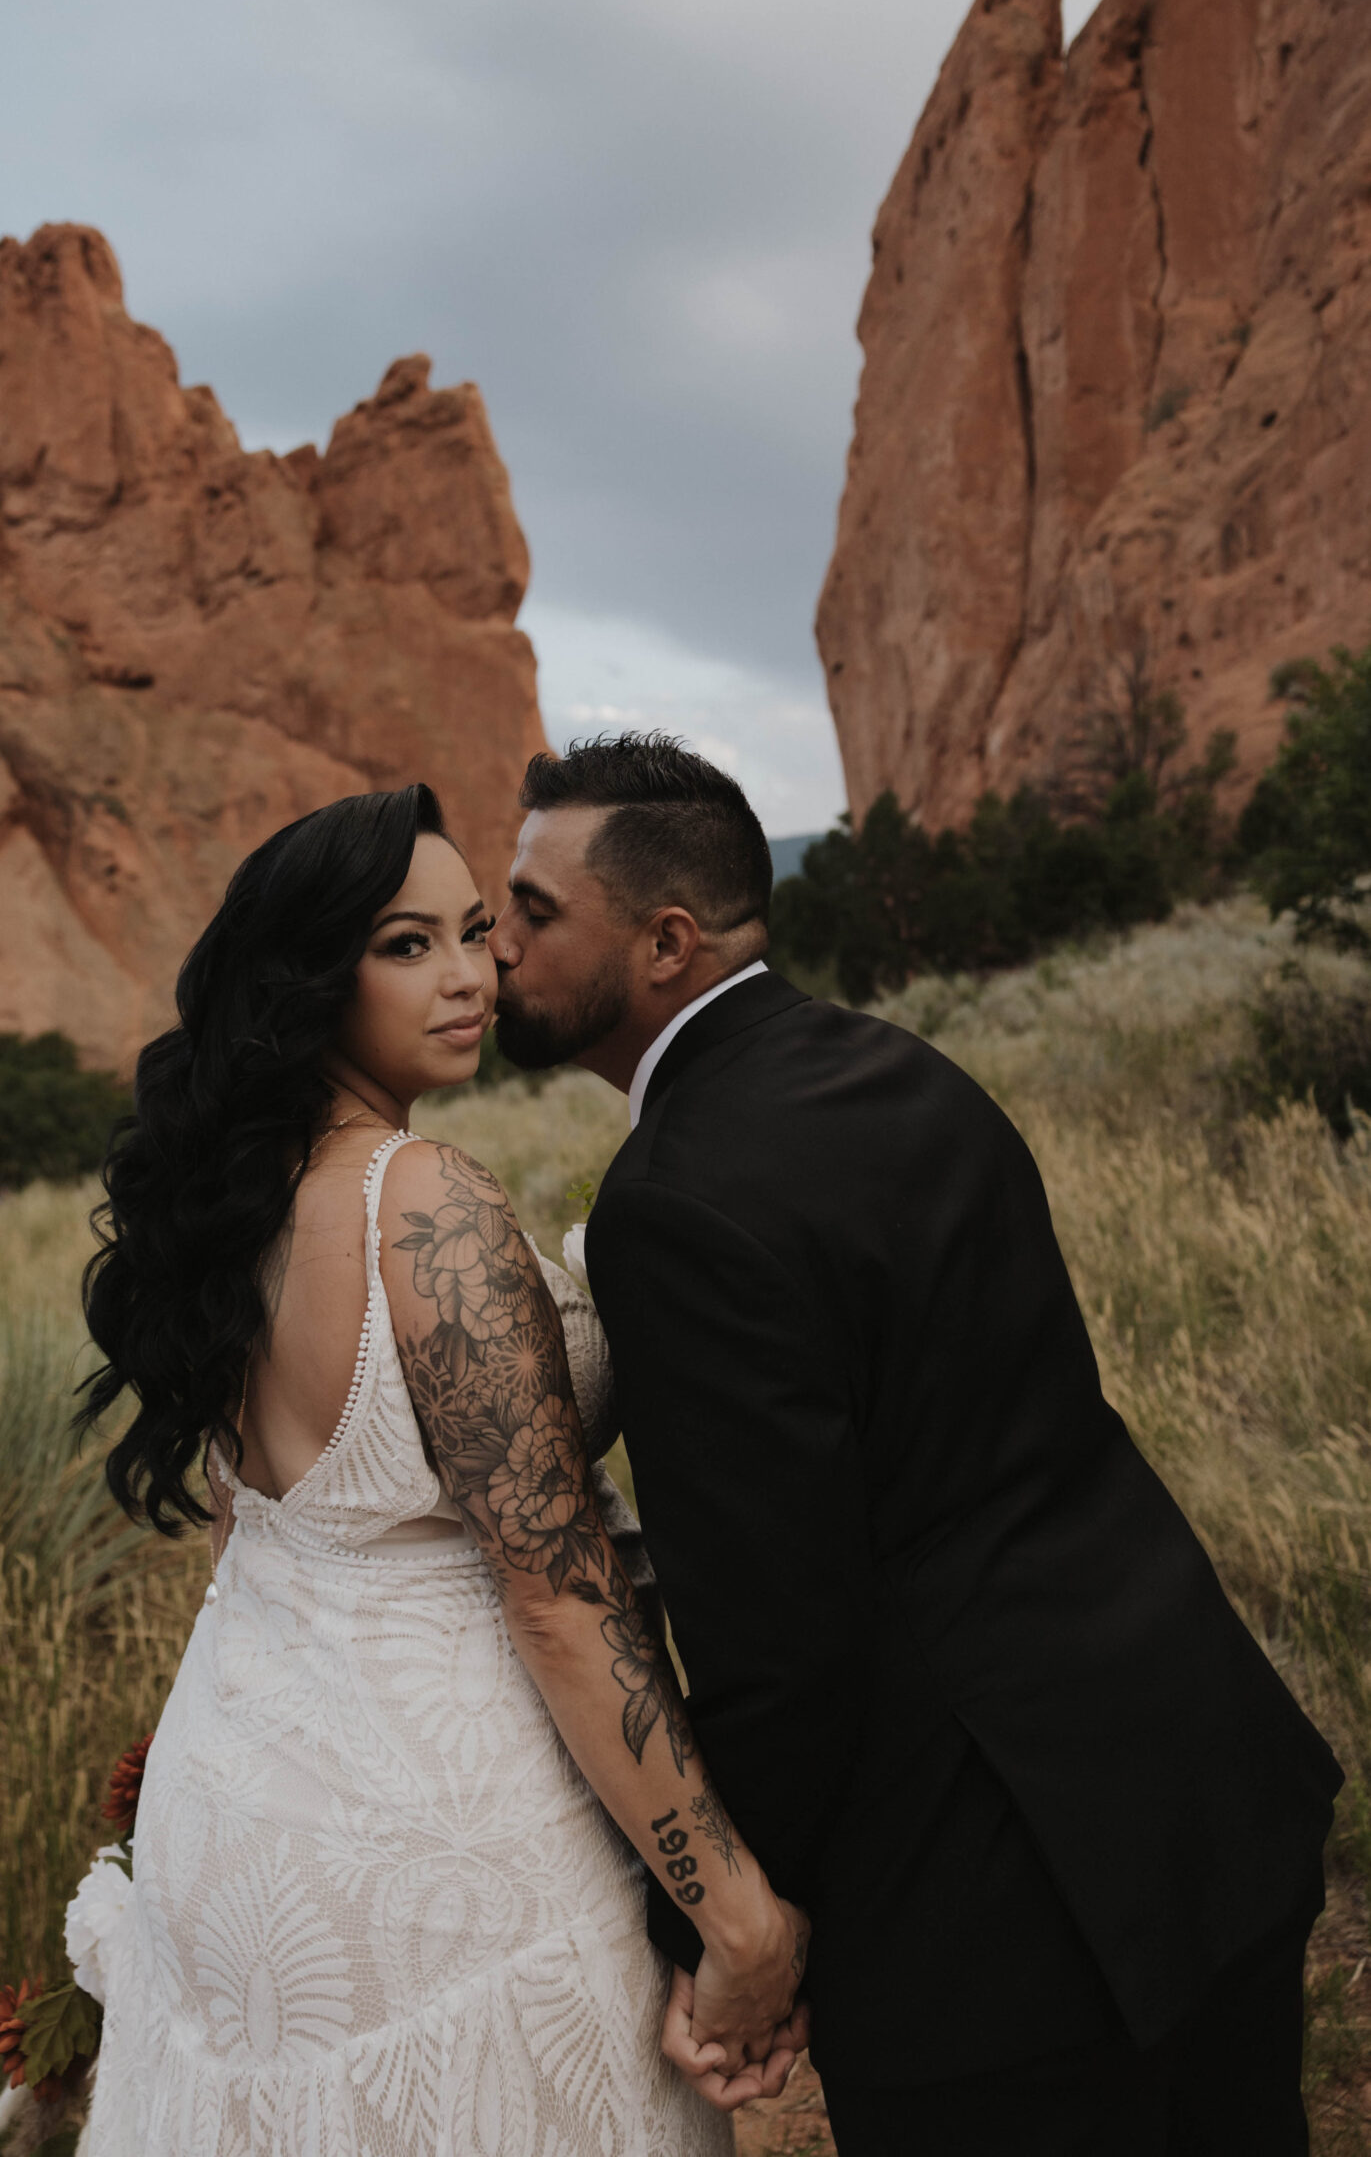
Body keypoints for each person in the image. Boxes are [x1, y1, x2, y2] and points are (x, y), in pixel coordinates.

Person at [488, 731, 1343, 2157]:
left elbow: (779, 1637)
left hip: (1007, 1913)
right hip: (1202, 1778)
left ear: (665, 943)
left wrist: (739, 1929)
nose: (498, 946)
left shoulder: (675, 1201)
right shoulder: (903, 1065)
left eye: (532, 912)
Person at [72, 782, 805, 2157]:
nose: (470, 975)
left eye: (477, 933)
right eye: (407, 945)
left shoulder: (229, 1208)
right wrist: (735, 1914)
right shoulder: (422, 1199)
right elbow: (554, 1589)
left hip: (241, 1793)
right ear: (308, 980)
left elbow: (254, 1526)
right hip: (444, 1841)